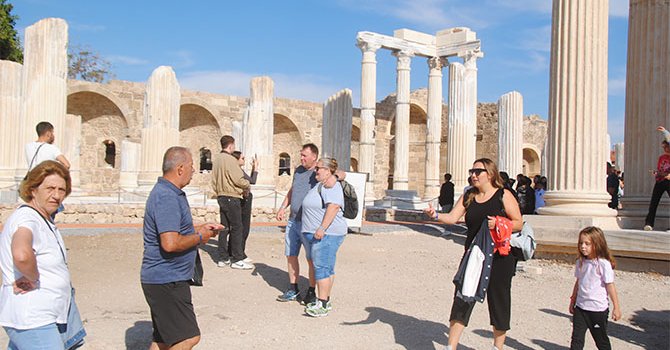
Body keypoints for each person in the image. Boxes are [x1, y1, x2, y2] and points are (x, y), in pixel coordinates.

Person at [424, 158, 522, 350]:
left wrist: (502, 223)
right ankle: (450, 347)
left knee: (499, 301)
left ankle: (497, 347)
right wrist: (434, 215)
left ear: (491, 174)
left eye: (478, 171)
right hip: (474, 255)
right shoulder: (469, 195)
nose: (473, 175)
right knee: (462, 298)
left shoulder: (504, 195)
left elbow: (519, 222)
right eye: (472, 171)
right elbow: (452, 217)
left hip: (500, 258)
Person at [140, 146, 223, 350]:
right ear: (179, 168)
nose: (194, 171)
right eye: (191, 166)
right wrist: (200, 236)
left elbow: (173, 230)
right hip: (167, 279)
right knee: (188, 338)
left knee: (163, 341)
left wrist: (200, 229)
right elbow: (170, 243)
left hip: (165, 278)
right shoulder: (166, 196)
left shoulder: (169, 193)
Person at [0, 160, 76, 349]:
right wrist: (32, 277)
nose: (57, 195)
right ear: (33, 189)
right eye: (50, 188)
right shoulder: (28, 218)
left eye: (61, 189)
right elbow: (22, 254)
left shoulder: (41, 218)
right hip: (33, 318)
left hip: (38, 317)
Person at [300, 157, 348, 317]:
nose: (316, 170)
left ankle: (322, 304)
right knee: (326, 268)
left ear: (327, 171)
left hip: (328, 234)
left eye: (319, 168)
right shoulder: (324, 183)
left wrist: (321, 228)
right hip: (323, 234)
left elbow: (333, 207)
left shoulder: (331, 185)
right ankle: (324, 299)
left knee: (321, 268)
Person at [275, 143, 319, 304]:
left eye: (304, 156)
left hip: (309, 223)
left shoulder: (318, 173)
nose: (301, 158)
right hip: (293, 221)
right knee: (291, 254)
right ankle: (293, 288)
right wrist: (282, 207)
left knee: (310, 258)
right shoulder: (298, 171)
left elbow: (338, 176)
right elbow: (293, 190)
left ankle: (312, 291)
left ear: (314, 156)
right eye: (301, 155)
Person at [569, 226, 621, 350]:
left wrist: (616, 307)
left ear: (597, 244)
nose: (583, 246)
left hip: (597, 309)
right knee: (576, 339)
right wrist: (573, 300)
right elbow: (578, 281)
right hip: (581, 307)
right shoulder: (580, 262)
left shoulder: (603, 264)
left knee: (600, 340)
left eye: (587, 244)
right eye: (581, 243)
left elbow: (610, 285)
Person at [211, 136, 252, 270]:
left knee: (224, 227)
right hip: (231, 196)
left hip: (221, 195)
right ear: (231, 145)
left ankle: (223, 258)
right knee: (237, 227)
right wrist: (246, 185)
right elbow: (238, 179)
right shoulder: (230, 159)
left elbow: (214, 180)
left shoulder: (217, 159)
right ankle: (237, 258)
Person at [231, 151, 258, 261]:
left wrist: (253, 169)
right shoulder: (237, 170)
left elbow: (249, 180)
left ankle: (237, 252)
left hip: (242, 198)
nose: (244, 160)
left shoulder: (236, 170)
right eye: (242, 158)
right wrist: (256, 168)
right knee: (243, 228)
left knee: (240, 228)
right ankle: (239, 253)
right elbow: (252, 181)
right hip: (244, 199)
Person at [643, 126, 670, 231]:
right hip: (660, 181)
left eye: (666, 147)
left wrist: (664, 132)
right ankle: (649, 223)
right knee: (654, 202)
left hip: (669, 181)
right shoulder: (661, 158)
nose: (664, 149)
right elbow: (660, 169)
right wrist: (657, 173)